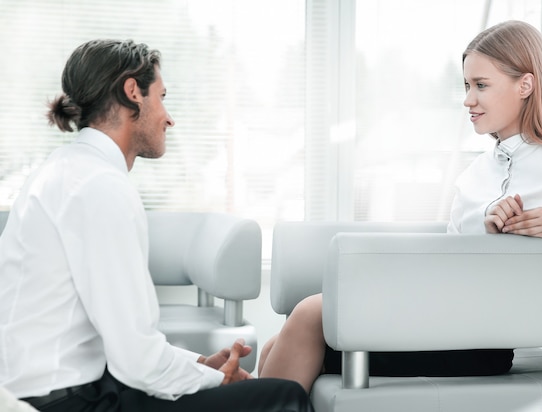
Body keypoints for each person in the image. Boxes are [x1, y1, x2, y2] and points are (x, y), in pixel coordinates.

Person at [258, 20, 542, 393]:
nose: (468, 99)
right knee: (278, 343)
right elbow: (453, 259)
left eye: (481, 85)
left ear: (525, 85)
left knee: (308, 314)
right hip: (437, 315)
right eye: (467, 86)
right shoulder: (476, 173)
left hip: (476, 340)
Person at [0, 39, 313, 412]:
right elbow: (135, 359)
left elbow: (122, 342)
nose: (168, 117)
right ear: (133, 92)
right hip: (70, 401)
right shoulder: (100, 187)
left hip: (57, 388)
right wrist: (214, 378)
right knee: (285, 397)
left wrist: (197, 366)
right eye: (161, 96)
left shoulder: (63, 170)